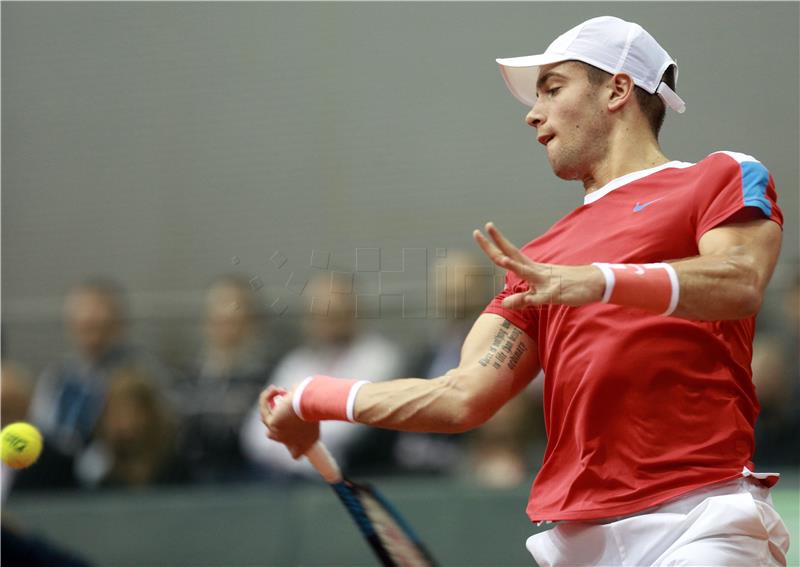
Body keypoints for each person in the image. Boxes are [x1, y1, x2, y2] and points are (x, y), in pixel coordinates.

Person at [259, 16, 790, 566]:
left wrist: (595, 279)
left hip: (700, 523)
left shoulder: (719, 175)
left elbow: (740, 281)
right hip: (581, 542)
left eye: (553, 89)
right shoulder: (539, 262)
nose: (533, 113)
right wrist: (310, 396)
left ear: (618, 88)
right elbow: (461, 396)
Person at [241, 272, 403, 478]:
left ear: (353, 310)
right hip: (281, 477)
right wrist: (294, 449)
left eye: (334, 312)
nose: (325, 320)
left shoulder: (378, 358)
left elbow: (345, 432)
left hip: (356, 474)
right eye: (318, 312)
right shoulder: (296, 363)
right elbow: (254, 433)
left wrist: (292, 443)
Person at [172, 275, 279, 482]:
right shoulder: (188, 379)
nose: (226, 329)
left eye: (235, 320)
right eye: (218, 320)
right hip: (195, 478)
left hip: (252, 478)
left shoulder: (269, 377)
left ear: (252, 323)